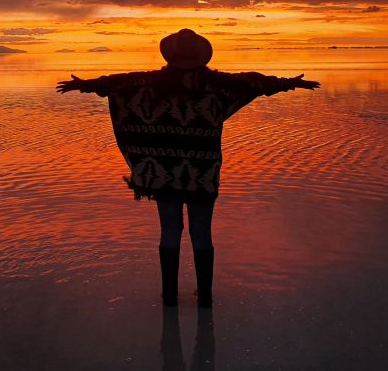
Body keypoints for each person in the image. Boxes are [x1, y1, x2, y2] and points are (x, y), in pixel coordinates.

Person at [56, 28, 320, 308]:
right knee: (201, 230)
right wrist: (288, 83)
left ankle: (169, 296)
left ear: (171, 54)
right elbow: (253, 83)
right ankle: (204, 296)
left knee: (170, 229)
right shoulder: (217, 84)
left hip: (163, 170)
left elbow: (119, 83)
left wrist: (84, 85)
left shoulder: (151, 82)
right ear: (200, 55)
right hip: (202, 170)